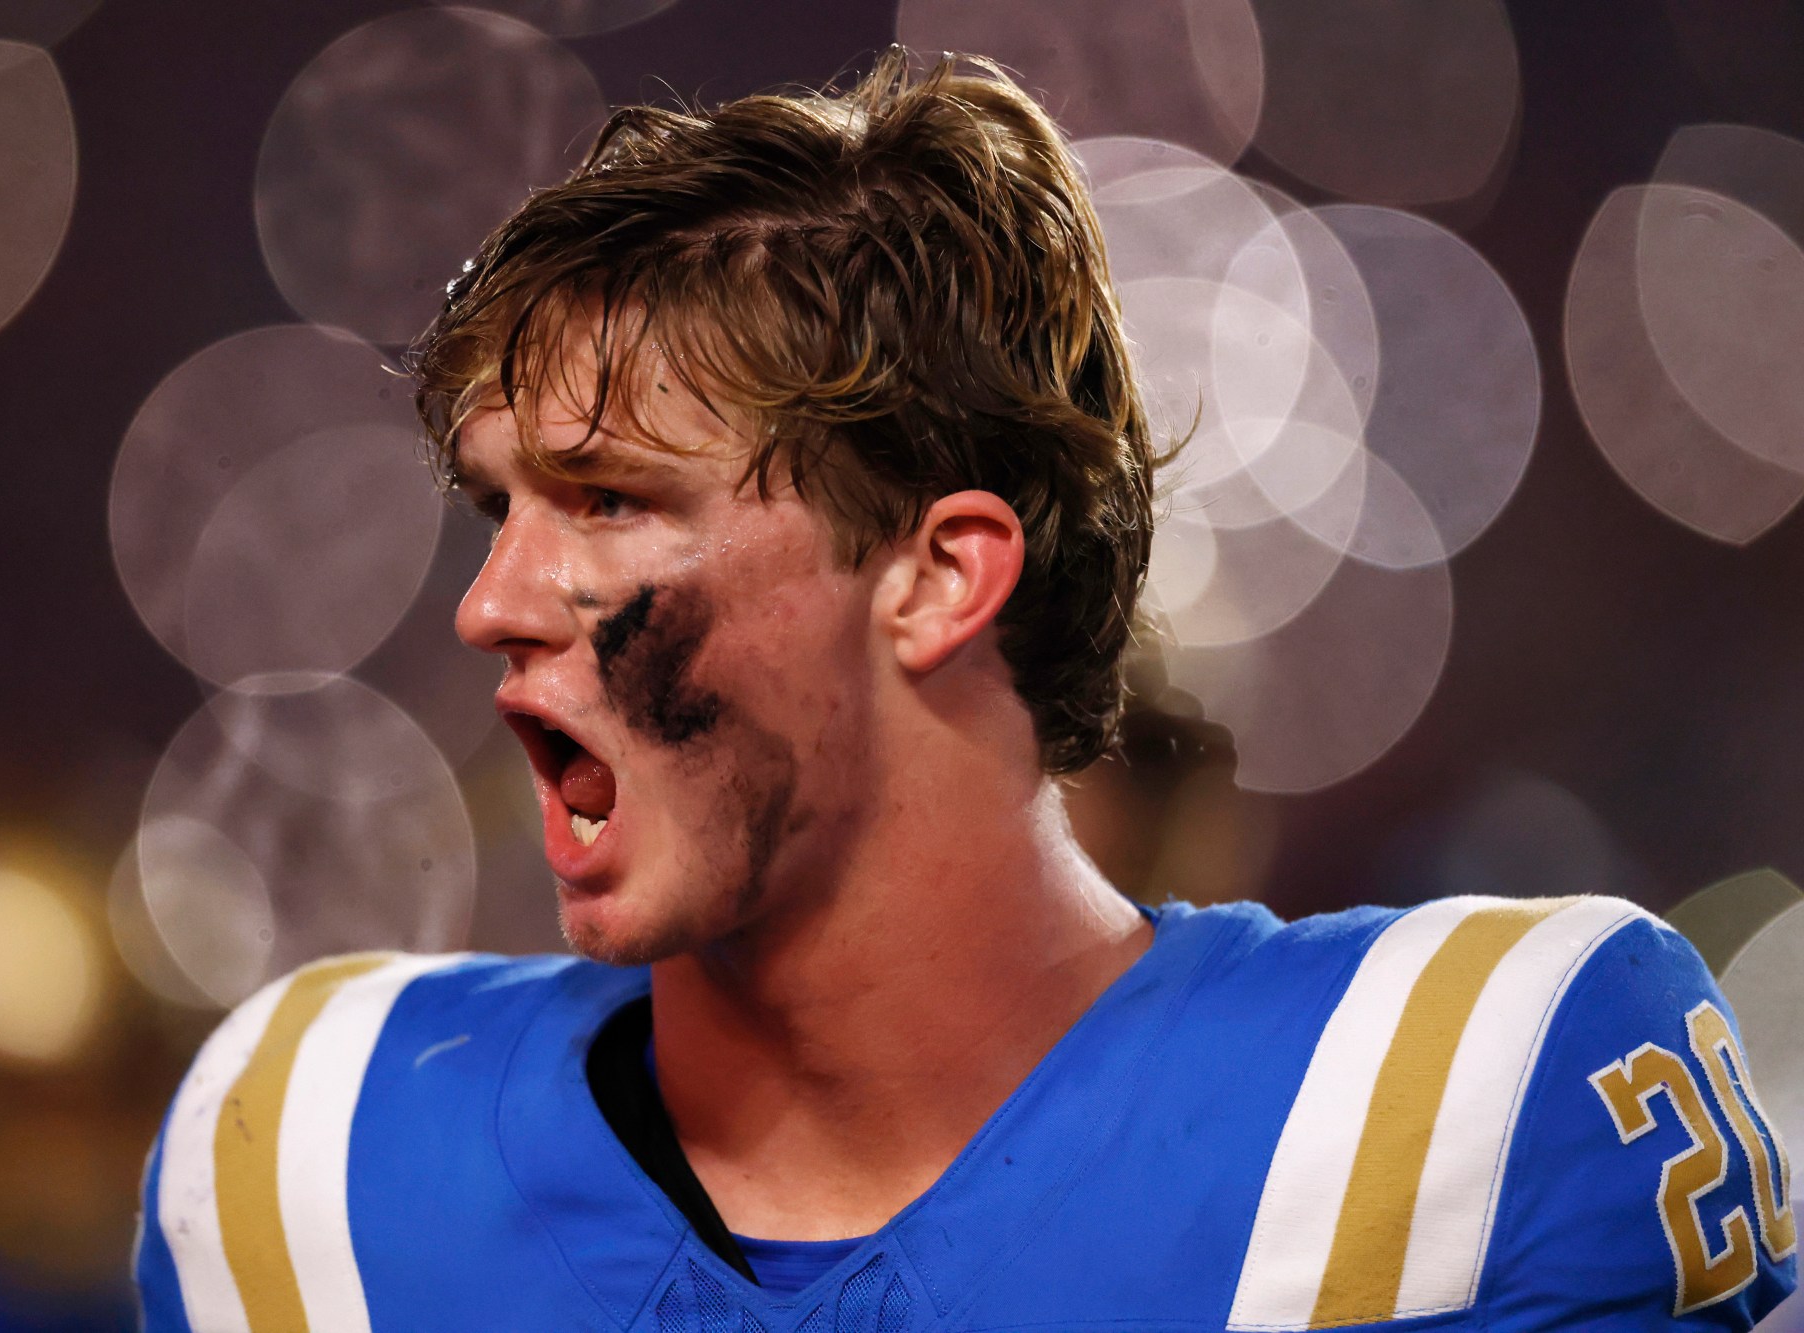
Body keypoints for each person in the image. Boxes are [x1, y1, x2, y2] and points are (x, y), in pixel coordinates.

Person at [134, 49, 1796, 1331]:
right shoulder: (312, 1165)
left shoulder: (1469, 1110)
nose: (491, 603)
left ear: (939, 574)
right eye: (501, 509)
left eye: (612, 500)